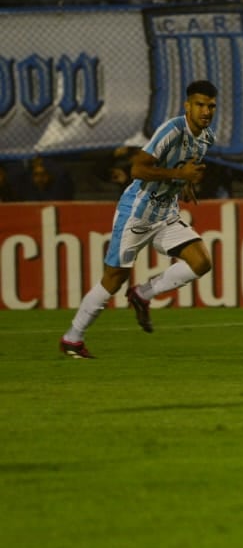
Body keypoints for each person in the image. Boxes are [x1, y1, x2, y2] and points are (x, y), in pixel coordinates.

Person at [59, 81, 219, 358]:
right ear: (187, 106)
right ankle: (72, 338)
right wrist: (181, 177)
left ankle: (143, 294)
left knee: (201, 261)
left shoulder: (206, 138)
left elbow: (184, 166)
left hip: (166, 213)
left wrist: (187, 183)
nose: (206, 111)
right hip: (138, 213)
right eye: (200, 105)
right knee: (113, 279)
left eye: (211, 106)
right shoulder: (172, 130)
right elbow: (138, 169)